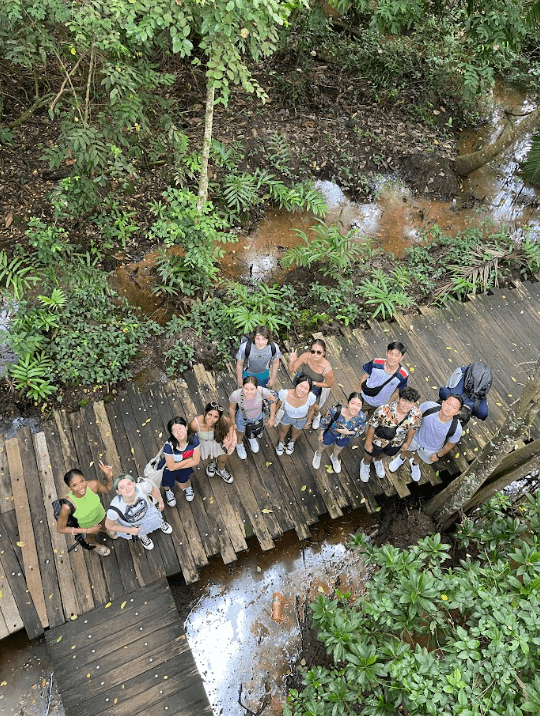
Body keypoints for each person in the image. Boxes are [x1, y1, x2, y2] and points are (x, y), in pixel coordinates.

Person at [388, 395, 463, 482]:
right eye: (448, 404)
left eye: (454, 407)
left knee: (421, 455)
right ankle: (401, 458)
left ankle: (414, 463)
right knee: (407, 447)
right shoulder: (429, 407)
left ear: (457, 412)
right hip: (416, 437)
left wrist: (438, 455)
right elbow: (415, 417)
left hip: (431, 447)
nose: (449, 408)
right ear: (443, 403)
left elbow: (450, 444)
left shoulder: (456, 428)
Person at [360, 387, 422, 483]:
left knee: (388, 453)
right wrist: (368, 443)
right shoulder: (383, 410)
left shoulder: (416, 414)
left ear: (414, 403)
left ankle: (377, 461)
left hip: (397, 442)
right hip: (378, 439)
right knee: (369, 453)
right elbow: (372, 426)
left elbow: (413, 429)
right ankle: (365, 463)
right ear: (399, 398)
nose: (406, 405)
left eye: (410, 402)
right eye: (404, 400)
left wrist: (408, 442)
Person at [56, 461, 116, 557]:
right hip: (85, 526)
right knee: (90, 539)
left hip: (101, 516)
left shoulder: (93, 485)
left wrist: (109, 476)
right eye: (75, 485)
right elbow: (60, 529)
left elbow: (108, 489)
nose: (81, 487)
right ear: (69, 487)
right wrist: (87, 530)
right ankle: (96, 545)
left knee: (105, 526)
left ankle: (107, 530)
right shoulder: (67, 506)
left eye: (82, 481)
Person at [105, 474, 172, 551]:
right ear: (118, 492)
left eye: (129, 484)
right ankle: (142, 535)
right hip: (133, 525)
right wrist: (129, 530)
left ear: (134, 484)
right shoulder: (115, 507)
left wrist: (160, 502)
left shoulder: (142, 487)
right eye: (122, 487)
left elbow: (153, 490)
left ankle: (159, 524)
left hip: (149, 514)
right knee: (140, 532)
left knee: (156, 520)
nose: (127, 488)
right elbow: (109, 525)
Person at [312, 392, 366, 474]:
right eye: (353, 403)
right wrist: (321, 434)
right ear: (348, 403)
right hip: (331, 433)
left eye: (359, 405)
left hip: (346, 437)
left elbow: (361, 430)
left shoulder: (361, 417)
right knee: (323, 445)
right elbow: (324, 421)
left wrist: (349, 432)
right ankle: (318, 454)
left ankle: (334, 458)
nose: (355, 407)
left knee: (339, 448)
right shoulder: (335, 411)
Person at [288, 339, 335, 430]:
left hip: (315, 386)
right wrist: (291, 361)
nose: (315, 355)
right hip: (301, 380)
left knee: (311, 405)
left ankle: (316, 416)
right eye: (313, 351)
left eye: (318, 352)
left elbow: (330, 384)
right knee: (297, 398)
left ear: (323, 353)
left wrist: (314, 383)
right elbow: (291, 369)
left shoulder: (326, 368)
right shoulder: (306, 357)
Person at [229, 376, 277, 459]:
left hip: (258, 416)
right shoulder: (236, 395)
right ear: (242, 387)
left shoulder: (262, 391)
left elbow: (272, 401)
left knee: (255, 429)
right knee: (240, 432)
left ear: (256, 388)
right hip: (242, 418)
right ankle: (239, 443)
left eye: (252, 389)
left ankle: (251, 437)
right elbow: (231, 408)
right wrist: (233, 423)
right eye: (246, 389)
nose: (249, 392)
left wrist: (272, 418)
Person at [356, 341, 409, 416]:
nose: (393, 358)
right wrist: (357, 395)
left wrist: (387, 405)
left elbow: (397, 391)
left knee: (370, 423)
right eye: (391, 354)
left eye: (397, 355)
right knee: (354, 417)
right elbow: (364, 377)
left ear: (401, 358)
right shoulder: (375, 363)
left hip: (380, 405)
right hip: (364, 398)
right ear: (386, 353)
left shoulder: (403, 375)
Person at [189, 402, 236, 484]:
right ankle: (212, 463)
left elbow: (231, 425)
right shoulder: (195, 424)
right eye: (209, 415)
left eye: (215, 417)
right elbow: (190, 434)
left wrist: (230, 440)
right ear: (205, 413)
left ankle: (221, 470)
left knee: (222, 459)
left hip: (219, 441)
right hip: (205, 443)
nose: (211, 419)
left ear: (219, 417)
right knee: (210, 457)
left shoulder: (223, 421)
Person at [157, 416, 200, 505]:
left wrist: (178, 466)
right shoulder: (168, 446)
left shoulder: (194, 440)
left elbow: (196, 461)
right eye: (174, 430)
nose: (178, 432)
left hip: (182, 467)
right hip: (168, 469)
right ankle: (168, 491)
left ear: (186, 427)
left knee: (184, 480)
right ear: (172, 433)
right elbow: (171, 467)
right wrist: (189, 460)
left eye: (180, 428)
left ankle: (187, 487)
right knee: (166, 483)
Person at [275, 375, 318, 456]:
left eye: (306, 388)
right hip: (286, 416)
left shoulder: (311, 397)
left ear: (309, 390)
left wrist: (308, 421)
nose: (302, 390)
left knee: (296, 432)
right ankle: (281, 441)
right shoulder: (284, 394)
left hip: (301, 419)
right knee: (283, 430)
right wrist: (272, 417)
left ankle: (292, 441)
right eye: (301, 386)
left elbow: (311, 409)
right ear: (296, 384)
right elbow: (278, 405)